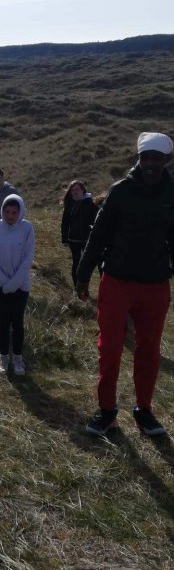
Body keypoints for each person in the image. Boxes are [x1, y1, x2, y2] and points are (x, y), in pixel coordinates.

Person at [77, 132, 174, 438]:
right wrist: (82, 274)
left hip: (155, 283)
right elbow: (98, 236)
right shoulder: (120, 191)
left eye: (156, 158)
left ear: (166, 161)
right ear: (138, 159)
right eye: (145, 158)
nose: (150, 164)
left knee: (149, 350)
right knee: (110, 347)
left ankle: (144, 412)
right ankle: (106, 412)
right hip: (117, 280)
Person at [0, 194, 35, 375]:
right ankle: (4, 358)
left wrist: (14, 283)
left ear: (20, 211)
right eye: (6, 212)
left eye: (14, 212)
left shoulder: (27, 228)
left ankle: (18, 359)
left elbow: (28, 258)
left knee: (18, 322)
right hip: (0, 284)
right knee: (4, 322)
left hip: (21, 285)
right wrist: (4, 281)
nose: (10, 216)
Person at [60, 180, 98, 286]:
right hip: (73, 239)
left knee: (86, 264)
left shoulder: (91, 203)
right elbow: (65, 223)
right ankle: (78, 288)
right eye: (72, 189)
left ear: (83, 190)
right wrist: (64, 239)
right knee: (76, 263)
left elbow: (97, 221)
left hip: (88, 239)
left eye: (77, 189)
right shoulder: (70, 205)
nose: (74, 191)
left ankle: (85, 285)